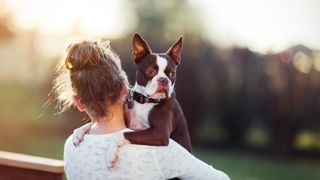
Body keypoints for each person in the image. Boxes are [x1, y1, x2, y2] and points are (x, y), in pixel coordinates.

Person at [54, 39, 230, 180]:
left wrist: (86, 128)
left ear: (78, 102)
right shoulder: (160, 154)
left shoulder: (72, 145)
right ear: (125, 89)